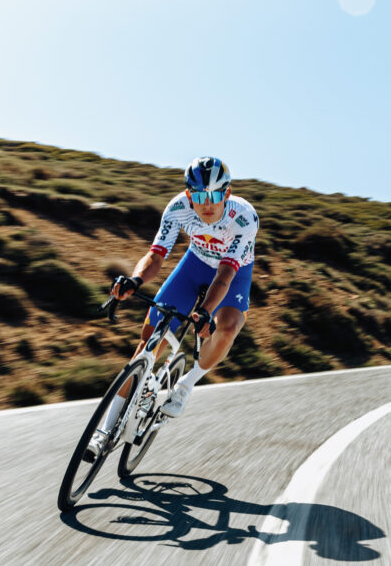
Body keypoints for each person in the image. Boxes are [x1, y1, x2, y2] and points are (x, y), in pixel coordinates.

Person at [81, 156, 259, 462]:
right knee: (148, 344)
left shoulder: (244, 218)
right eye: (199, 196)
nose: (207, 204)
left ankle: (186, 385)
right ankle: (103, 432)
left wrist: (206, 311)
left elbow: (226, 274)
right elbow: (156, 254)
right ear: (189, 194)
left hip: (233, 271)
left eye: (214, 195)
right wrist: (135, 280)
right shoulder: (178, 208)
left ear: (227, 193)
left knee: (228, 326)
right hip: (196, 263)